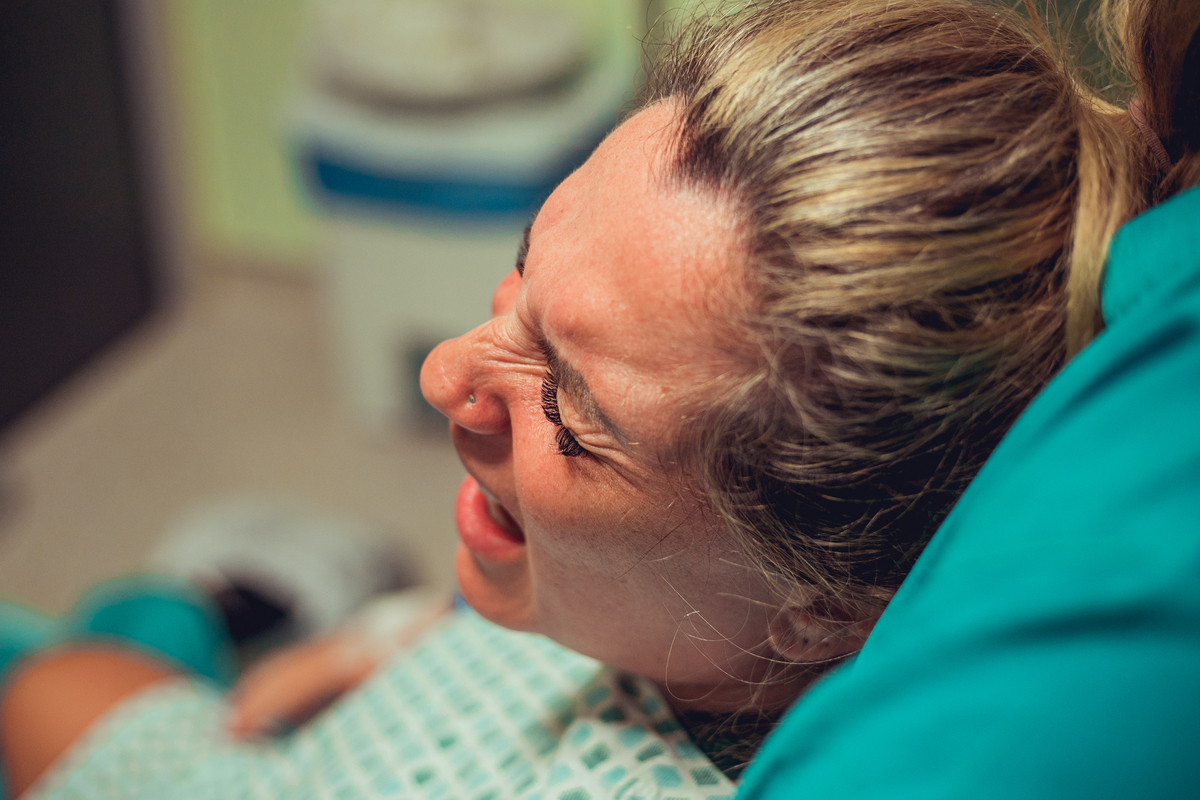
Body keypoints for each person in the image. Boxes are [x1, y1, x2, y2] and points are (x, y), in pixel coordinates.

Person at [2, 0, 1193, 797]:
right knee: (188, 637)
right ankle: (253, 604)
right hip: (372, 694)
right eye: (526, 259)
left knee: (52, 662)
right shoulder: (688, 620)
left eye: (568, 414)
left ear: (822, 610)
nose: (443, 378)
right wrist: (405, 639)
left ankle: (191, 606)